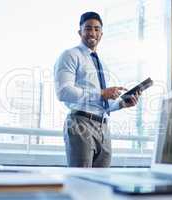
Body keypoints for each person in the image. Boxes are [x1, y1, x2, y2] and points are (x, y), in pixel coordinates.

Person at [54, 11, 140, 167]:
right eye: (88, 28)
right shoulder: (70, 55)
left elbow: (101, 103)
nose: (92, 32)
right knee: (82, 181)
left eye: (96, 29)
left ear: (101, 33)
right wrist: (101, 93)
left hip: (103, 127)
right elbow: (64, 92)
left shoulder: (101, 64)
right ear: (80, 32)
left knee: (102, 184)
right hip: (80, 123)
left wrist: (121, 104)